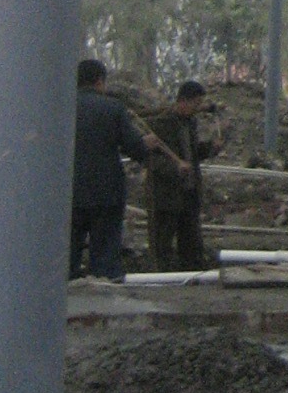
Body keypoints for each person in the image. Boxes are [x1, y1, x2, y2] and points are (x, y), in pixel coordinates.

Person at [71, 58, 177, 281]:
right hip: (106, 191)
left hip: (68, 192)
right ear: (100, 81)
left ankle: (68, 291)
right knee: (105, 251)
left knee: (68, 250)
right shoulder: (112, 108)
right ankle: (105, 289)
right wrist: (145, 144)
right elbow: (133, 147)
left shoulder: (62, 108)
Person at [145, 79, 215, 271]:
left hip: (189, 192)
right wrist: (175, 168)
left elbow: (191, 153)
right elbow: (150, 159)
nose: (198, 109)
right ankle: (161, 275)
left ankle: (191, 273)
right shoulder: (160, 124)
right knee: (162, 242)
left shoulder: (190, 123)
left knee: (191, 241)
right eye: (196, 104)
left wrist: (210, 148)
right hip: (166, 194)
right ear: (183, 100)